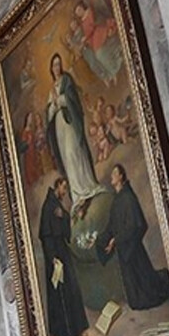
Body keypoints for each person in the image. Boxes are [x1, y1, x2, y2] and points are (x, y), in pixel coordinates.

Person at [97, 164, 169, 310]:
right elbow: (112, 225)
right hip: (123, 247)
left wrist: (116, 240)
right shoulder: (117, 199)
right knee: (133, 294)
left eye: (114, 173)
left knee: (145, 287)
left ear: (121, 177)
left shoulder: (128, 197)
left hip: (132, 248)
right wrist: (103, 239)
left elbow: (136, 225)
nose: (111, 177)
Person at [46, 53, 106, 215]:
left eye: (58, 64)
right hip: (59, 127)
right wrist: (53, 105)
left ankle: (87, 186)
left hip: (69, 123)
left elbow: (73, 99)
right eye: (54, 65)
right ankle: (77, 195)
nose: (56, 68)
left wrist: (60, 100)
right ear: (51, 69)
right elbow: (49, 114)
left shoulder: (66, 80)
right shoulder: (51, 88)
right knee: (66, 158)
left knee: (74, 152)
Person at [39, 177, 89, 336]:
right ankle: (58, 333)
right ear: (57, 186)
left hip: (62, 251)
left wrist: (69, 216)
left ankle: (78, 328)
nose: (65, 191)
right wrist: (52, 257)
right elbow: (46, 235)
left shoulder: (56, 205)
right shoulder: (49, 207)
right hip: (54, 254)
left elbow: (64, 222)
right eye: (64, 188)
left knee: (72, 288)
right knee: (57, 293)